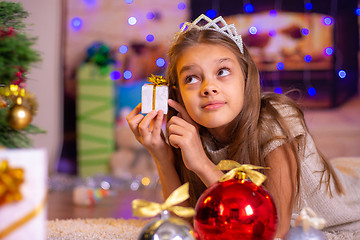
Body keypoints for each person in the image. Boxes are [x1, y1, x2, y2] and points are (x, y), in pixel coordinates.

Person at [126, 14, 360, 238]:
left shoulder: (277, 121)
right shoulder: (192, 134)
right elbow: (185, 227)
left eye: (223, 71)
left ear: (247, 78)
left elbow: (273, 230)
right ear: (177, 94)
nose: (209, 87)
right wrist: (162, 154)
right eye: (192, 78)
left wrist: (203, 165)